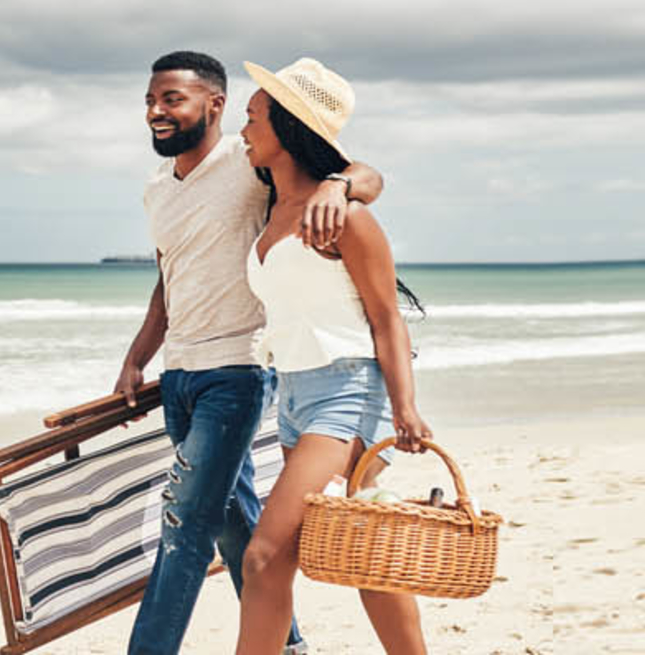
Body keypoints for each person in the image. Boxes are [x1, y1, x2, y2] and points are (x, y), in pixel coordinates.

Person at [118, 51, 384, 655]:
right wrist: (138, 358)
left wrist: (341, 187)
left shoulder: (251, 159)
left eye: (171, 100)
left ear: (213, 104)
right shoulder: (156, 190)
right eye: (150, 101)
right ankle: (288, 647)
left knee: (184, 528)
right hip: (180, 374)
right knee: (236, 524)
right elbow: (170, 278)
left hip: (237, 370)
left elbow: (363, 175)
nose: (157, 112)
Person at [235, 58, 431, 655]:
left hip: (347, 390)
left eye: (252, 117)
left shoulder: (346, 216)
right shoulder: (272, 208)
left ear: (287, 127)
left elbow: (385, 316)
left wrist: (406, 408)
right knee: (368, 542)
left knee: (265, 557)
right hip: (293, 393)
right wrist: (341, 179)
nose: (242, 131)